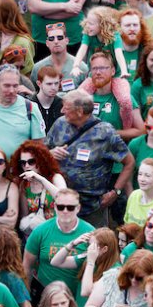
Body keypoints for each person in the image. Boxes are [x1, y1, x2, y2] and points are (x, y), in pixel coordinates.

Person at [45, 90, 135, 227]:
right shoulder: (60, 124)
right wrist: (50, 153)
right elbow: (42, 151)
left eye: (66, 108)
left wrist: (115, 192)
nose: (62, 111)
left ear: (80, 111)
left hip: (91, 208)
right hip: (60, 203)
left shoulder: (105, 133)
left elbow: (129, 163)